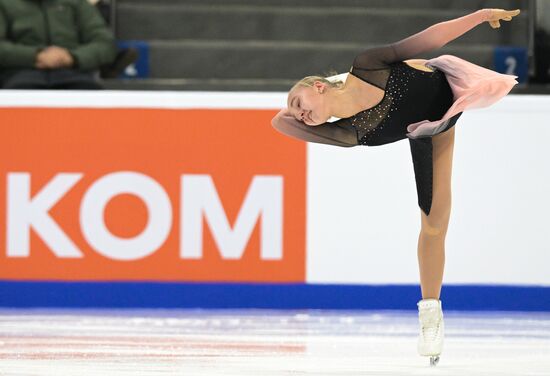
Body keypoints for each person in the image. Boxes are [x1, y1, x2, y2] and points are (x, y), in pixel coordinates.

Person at [271, 8, 520, 366]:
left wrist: (478, 17)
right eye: (299, 114)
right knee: (433, 226)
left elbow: (428, 39)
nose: (299, 114)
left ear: (319, 85)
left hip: (444, 81)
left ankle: (431, 311)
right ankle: (430, 315)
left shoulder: (368, 65)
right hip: (434, 130)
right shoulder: (349, 132)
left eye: (299, 102)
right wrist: (303, 109)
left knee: (436, 225)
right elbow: (279, 123)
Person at [0, 0, 117, 89]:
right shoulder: (5, 4)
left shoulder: (77, 4)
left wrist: (72, 57)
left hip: (75, 75)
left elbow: (105, 44)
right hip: (18, 76)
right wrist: (35, 56)